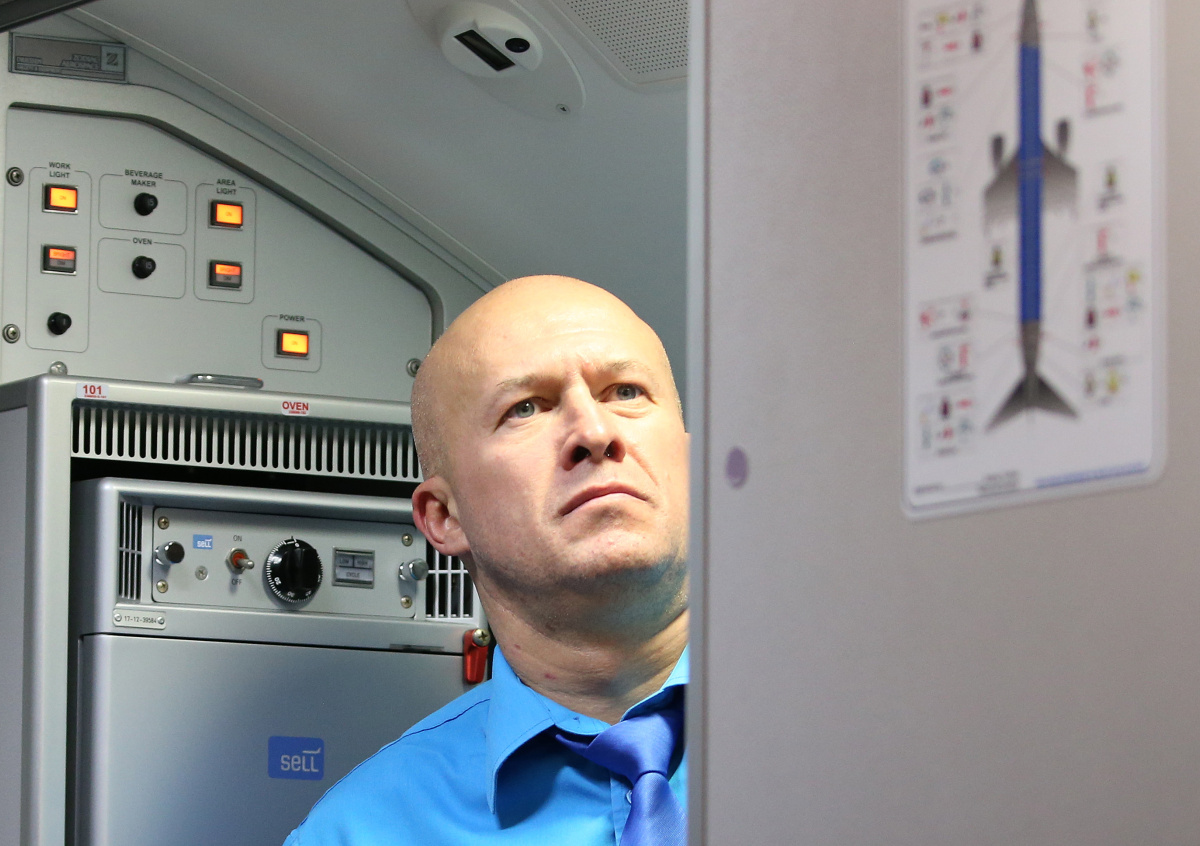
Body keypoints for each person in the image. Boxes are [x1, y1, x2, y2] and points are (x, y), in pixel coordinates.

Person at [284, 275, 690, 844]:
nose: (595, 431)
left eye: (625, 391)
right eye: (525, 408)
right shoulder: (358, 833)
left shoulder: (827, 732)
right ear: (445, 517)